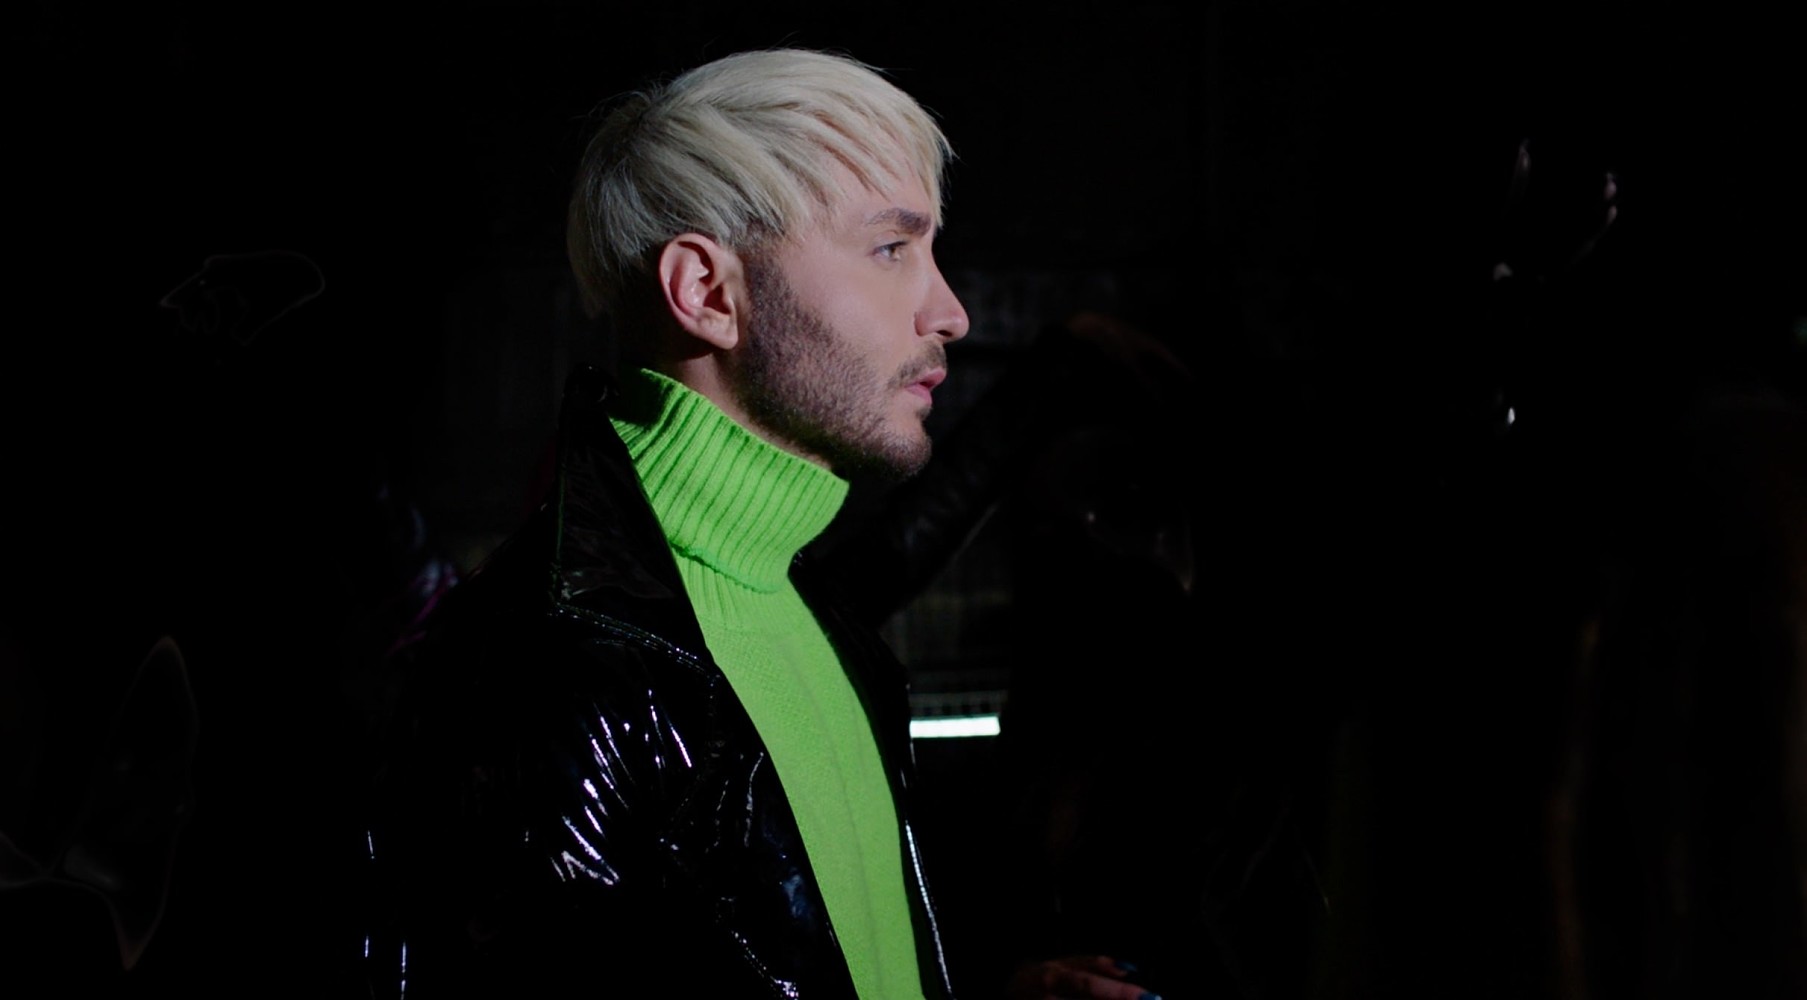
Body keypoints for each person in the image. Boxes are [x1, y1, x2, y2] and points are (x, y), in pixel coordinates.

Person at [358, 48, 1159, 1000]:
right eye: (891, 249)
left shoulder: (809, 603)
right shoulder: (537, 676)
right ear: (707, 292)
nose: (950, 312)